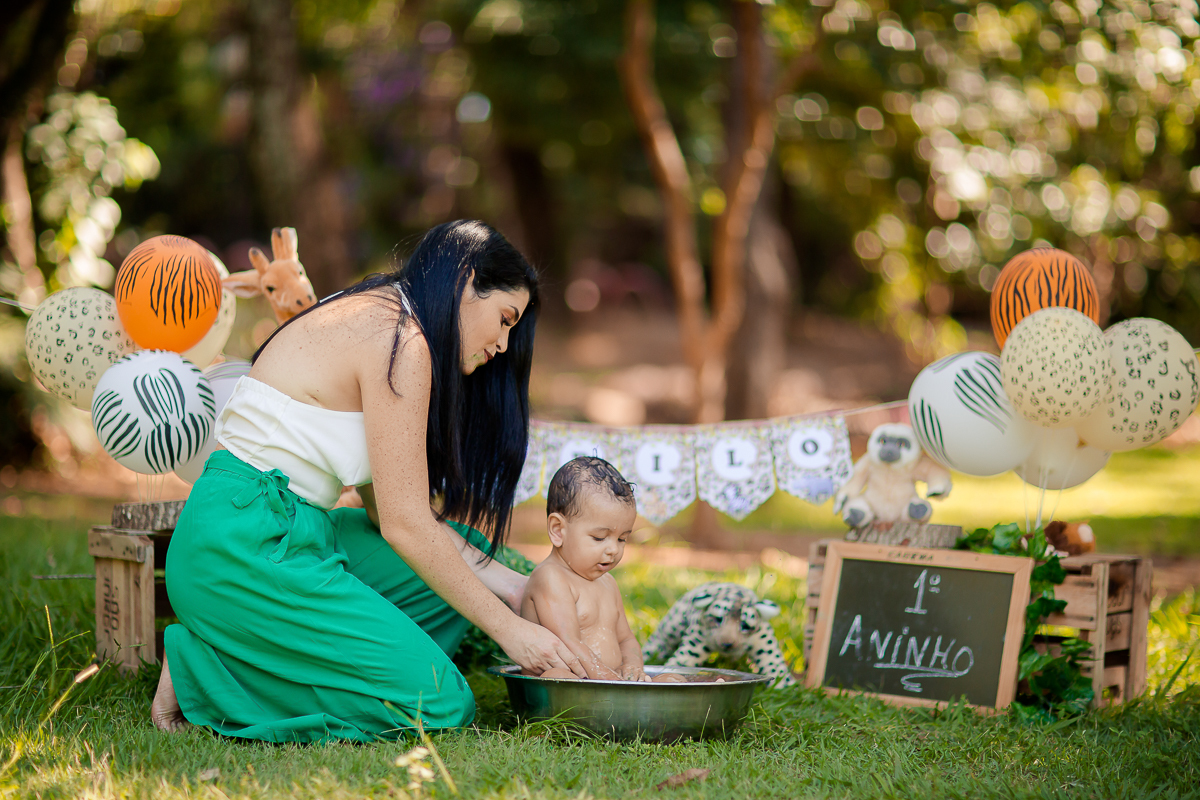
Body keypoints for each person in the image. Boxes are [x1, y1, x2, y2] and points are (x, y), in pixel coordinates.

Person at [151, 220, 587, 742]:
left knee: (457, 571)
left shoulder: (389, 318)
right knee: (441, 702)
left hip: (295, 529)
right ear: (466, 281)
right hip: (239, 544)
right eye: (504, 319)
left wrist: (517, 589)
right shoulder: (398, 339)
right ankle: (206, 667)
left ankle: (281, 650)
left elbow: (390, 516)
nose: (502, 343)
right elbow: (406, 526)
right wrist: (511, 632)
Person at [520, 457, 683, 683]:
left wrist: (633, 667)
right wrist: (610, 681)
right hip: (574, 678)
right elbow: (567, 642)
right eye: (599, 537)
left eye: (622, 539)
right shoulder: (551, 577)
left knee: (673, 679)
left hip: (609, 681)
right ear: (558, 530)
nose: (613, 550)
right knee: (556, 678)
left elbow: (626, 640)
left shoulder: (608, 583)